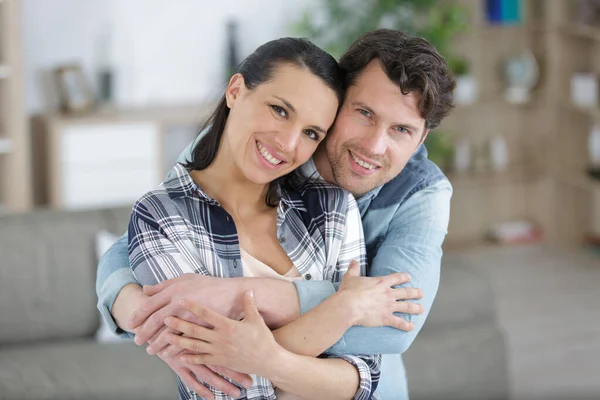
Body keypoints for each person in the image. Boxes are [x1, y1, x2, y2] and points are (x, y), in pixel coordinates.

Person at [97, 29, 455, 399]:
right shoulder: (251, 142)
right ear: (339, 101)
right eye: (364, 113)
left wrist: (239, 298)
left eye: (401, 130)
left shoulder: (416, 194)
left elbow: (393, 325)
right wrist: (145, 314)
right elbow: (147, 228)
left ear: (420, 138)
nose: (374, 146)